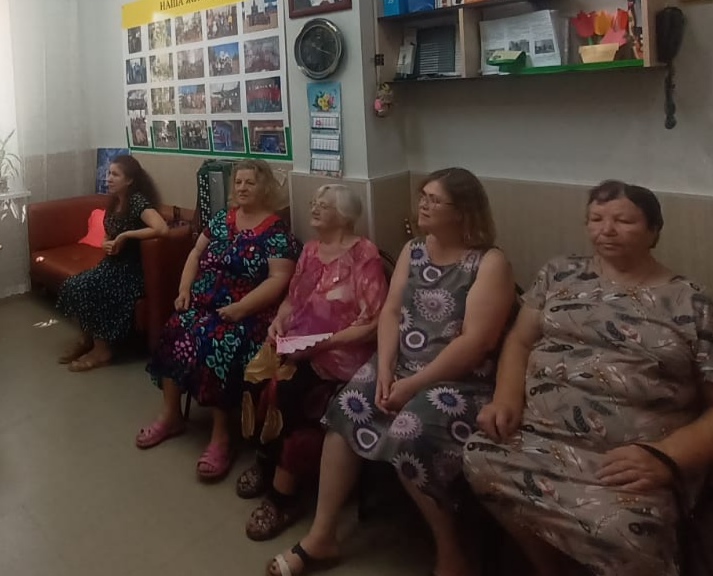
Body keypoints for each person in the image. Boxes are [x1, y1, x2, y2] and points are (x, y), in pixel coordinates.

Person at [268, 168, 516, 576]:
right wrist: (384, 369)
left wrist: (413, 384)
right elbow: (391, 312)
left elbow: (476, 343)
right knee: (344, 409)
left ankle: (452, 553)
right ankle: (323, 535)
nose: (423, 205)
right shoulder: (414, 249)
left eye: (435, 200)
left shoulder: (489, 263)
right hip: (400, 364)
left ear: (462, 211)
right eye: (423, 196)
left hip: (457, 380)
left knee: (408, 432)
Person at [464, 181, 713, 576]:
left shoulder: (691, 302)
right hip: (540, 438)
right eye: (596, 219)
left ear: (654, 231)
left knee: (623, 531)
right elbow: (520, 340)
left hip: (630, 459)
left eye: (624, 221)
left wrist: (668, 456)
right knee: (481, 455)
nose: (606, 230)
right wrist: (506, 397)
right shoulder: (559, 274)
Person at [237, 184, 388, 541]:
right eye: (314, 203)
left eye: (324, 205)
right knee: (255, 374)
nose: (314, 209)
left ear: (344, 215)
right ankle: (266, 459)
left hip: (341, 352)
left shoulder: (364, 254)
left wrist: (323, 343)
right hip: (299, 342)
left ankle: (284, 496)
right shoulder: (309, 250)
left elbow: (373, 323)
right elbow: (293, 300)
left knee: (290, 392)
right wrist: (278, 321)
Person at [136, 159, 301, 482]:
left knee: (219, 345)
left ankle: (221, 436)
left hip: (249, 313)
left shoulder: (276, 231)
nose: (242, 188)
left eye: (250, 182)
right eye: (238, 182)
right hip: (204, 304)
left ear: (265, 188)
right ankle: (171, 416)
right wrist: (184, 289)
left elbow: (279, 279)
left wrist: (241, 308)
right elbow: (196, 254)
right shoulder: (222, 220)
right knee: (175, 330)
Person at [56, 155, 168, 372]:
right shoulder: (115, 201)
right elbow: (109, 233)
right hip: (111, 265)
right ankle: (87, 338)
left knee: (95, 289)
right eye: (108, 173)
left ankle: (102, 350)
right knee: (74, 285)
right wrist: (107, 242)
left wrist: (126, 236)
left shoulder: (137, 201)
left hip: (131, 271)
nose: (108, 178)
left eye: (115, 175)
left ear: (130, 180)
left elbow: (161, 228)